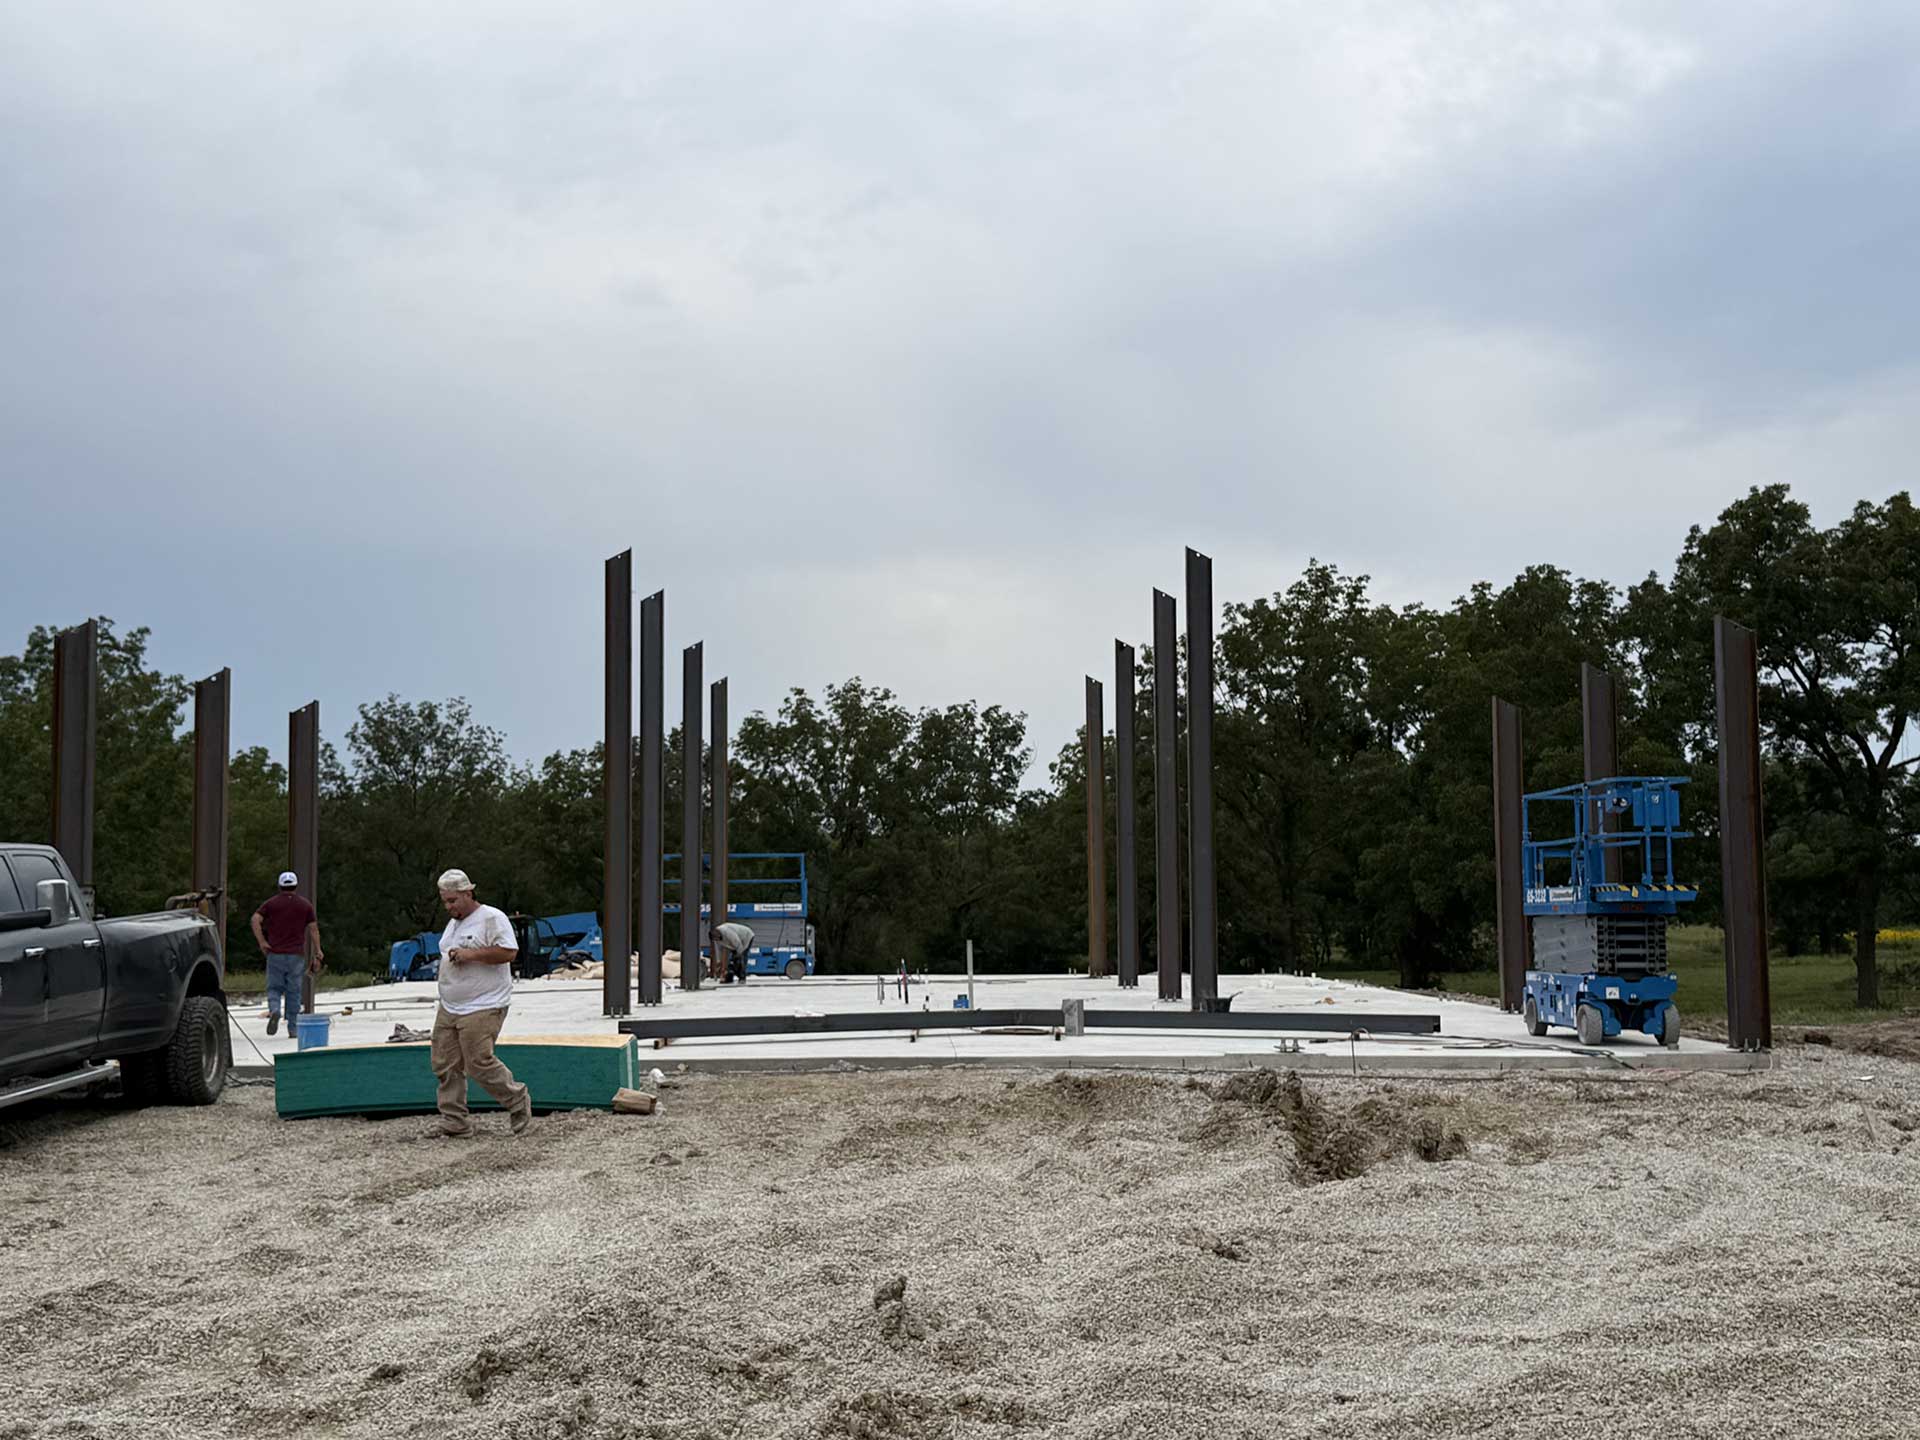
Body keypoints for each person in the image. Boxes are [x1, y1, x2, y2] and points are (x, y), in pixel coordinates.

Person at [430, 868, 532, 1137]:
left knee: (479, 1062)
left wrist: (470, 955)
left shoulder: (491, 918)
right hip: (450, 1005)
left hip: (484, 1004)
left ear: (468, 893)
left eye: (453, 900)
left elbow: (509, 952)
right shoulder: (454, 924)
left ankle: (517, 1099)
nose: (449, 907)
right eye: (445, 901)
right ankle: (455, 1121)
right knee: (445, 1063)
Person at [250, 871, 322, 1038]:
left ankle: (275, 1010)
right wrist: (318, 950)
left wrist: (262, 941)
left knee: (274, 987)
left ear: (280, 886)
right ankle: (293, 1028)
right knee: (294, 992)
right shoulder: (305, 905)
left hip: (275, 953)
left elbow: (255, 919)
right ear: (296, 886)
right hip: (296, 955)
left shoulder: (271, 904)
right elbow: (313, 929)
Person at [709, 920, 756, 985]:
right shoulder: (716, 939)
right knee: (733, 961)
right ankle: (729, 978)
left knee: (741, 959)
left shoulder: (727, 932)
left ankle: (742, 978)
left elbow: (738, 945)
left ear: (717, 933)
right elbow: (718, 950)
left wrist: (739, 956)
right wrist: (718, 962)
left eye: (717, 938)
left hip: (746, 937)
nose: (717, 940)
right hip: (734, 944)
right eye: (715, 940)